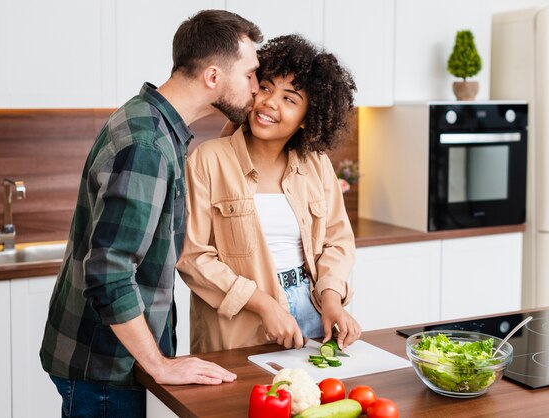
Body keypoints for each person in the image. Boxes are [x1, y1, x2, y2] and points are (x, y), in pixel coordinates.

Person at [39, 10, 263, 418]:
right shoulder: (148, 144)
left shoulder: (150, 118)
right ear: (213, 77)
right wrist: (159, 364)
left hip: (103, 361)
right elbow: (108, 273)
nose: (256, 87)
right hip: (107, 369)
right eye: (249, 74)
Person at [177, 34, 362, 355]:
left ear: (308, 119)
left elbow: (338, 241)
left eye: (289, 98)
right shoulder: (208, 160)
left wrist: (332, 299)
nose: (269, 103)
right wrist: (264, 305)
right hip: (241, 320)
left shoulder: (316, 165)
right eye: (266, 87)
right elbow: (192, 257)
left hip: (312, 312)